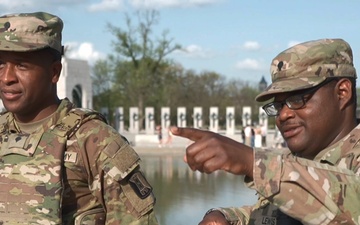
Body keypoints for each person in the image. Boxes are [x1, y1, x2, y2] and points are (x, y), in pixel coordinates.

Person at [171, 38, 359, 224]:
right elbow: (278, 215)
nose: (283, 115)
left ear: (342, 92)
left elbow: (351, 202)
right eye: (278, 105)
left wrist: (252, 161)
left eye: (297, 99)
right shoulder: (299, 159)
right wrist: (227, 219)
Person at [0, 12, 158, 224]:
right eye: (0, 64)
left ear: (54, 72)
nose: (7, 77)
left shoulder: (95, 140)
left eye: (21, 65)